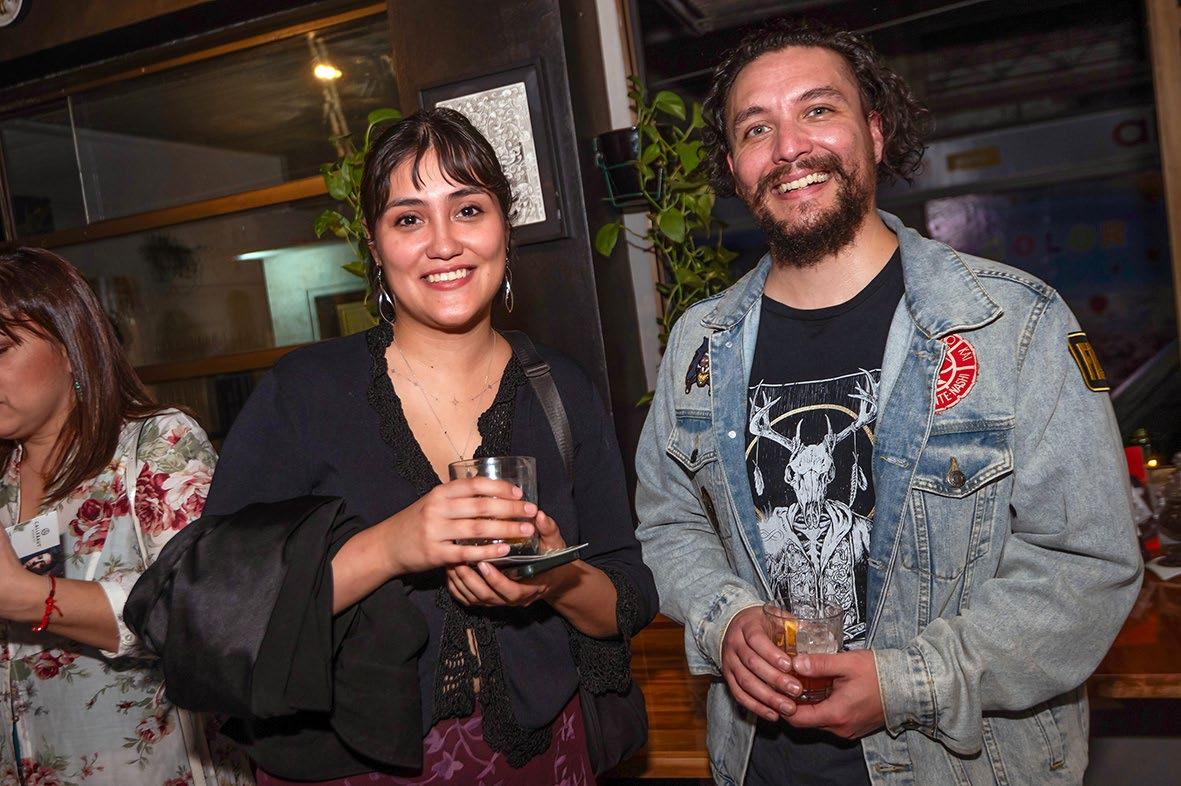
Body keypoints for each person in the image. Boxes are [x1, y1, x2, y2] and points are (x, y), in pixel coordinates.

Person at [634, 19, 1143, 786]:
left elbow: (1088, 567)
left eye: (817, 110)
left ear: (873, 132)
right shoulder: (698, 345)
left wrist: (908, 681)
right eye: (755, 128)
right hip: (758, 767)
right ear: (734, 168)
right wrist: (725, 616)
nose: (788, 147)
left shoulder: (1011, 325)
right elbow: (668, 522)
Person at [191, 107, 657, 784]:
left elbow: (629, 597)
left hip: (546, 754)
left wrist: (555, 577)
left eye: (468, 210)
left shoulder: (561, 388)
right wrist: (392, 546)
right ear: (375, 246)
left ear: (504, 227)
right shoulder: (306, 392)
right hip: (358, 766)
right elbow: (215, 609)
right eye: (408, 219)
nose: (444, 243)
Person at [0, 248, 252, 785]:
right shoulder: (4, 478)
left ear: (70, 347)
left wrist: (28, 596)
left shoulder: (155, 445)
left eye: (0, 348)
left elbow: (205, 616)